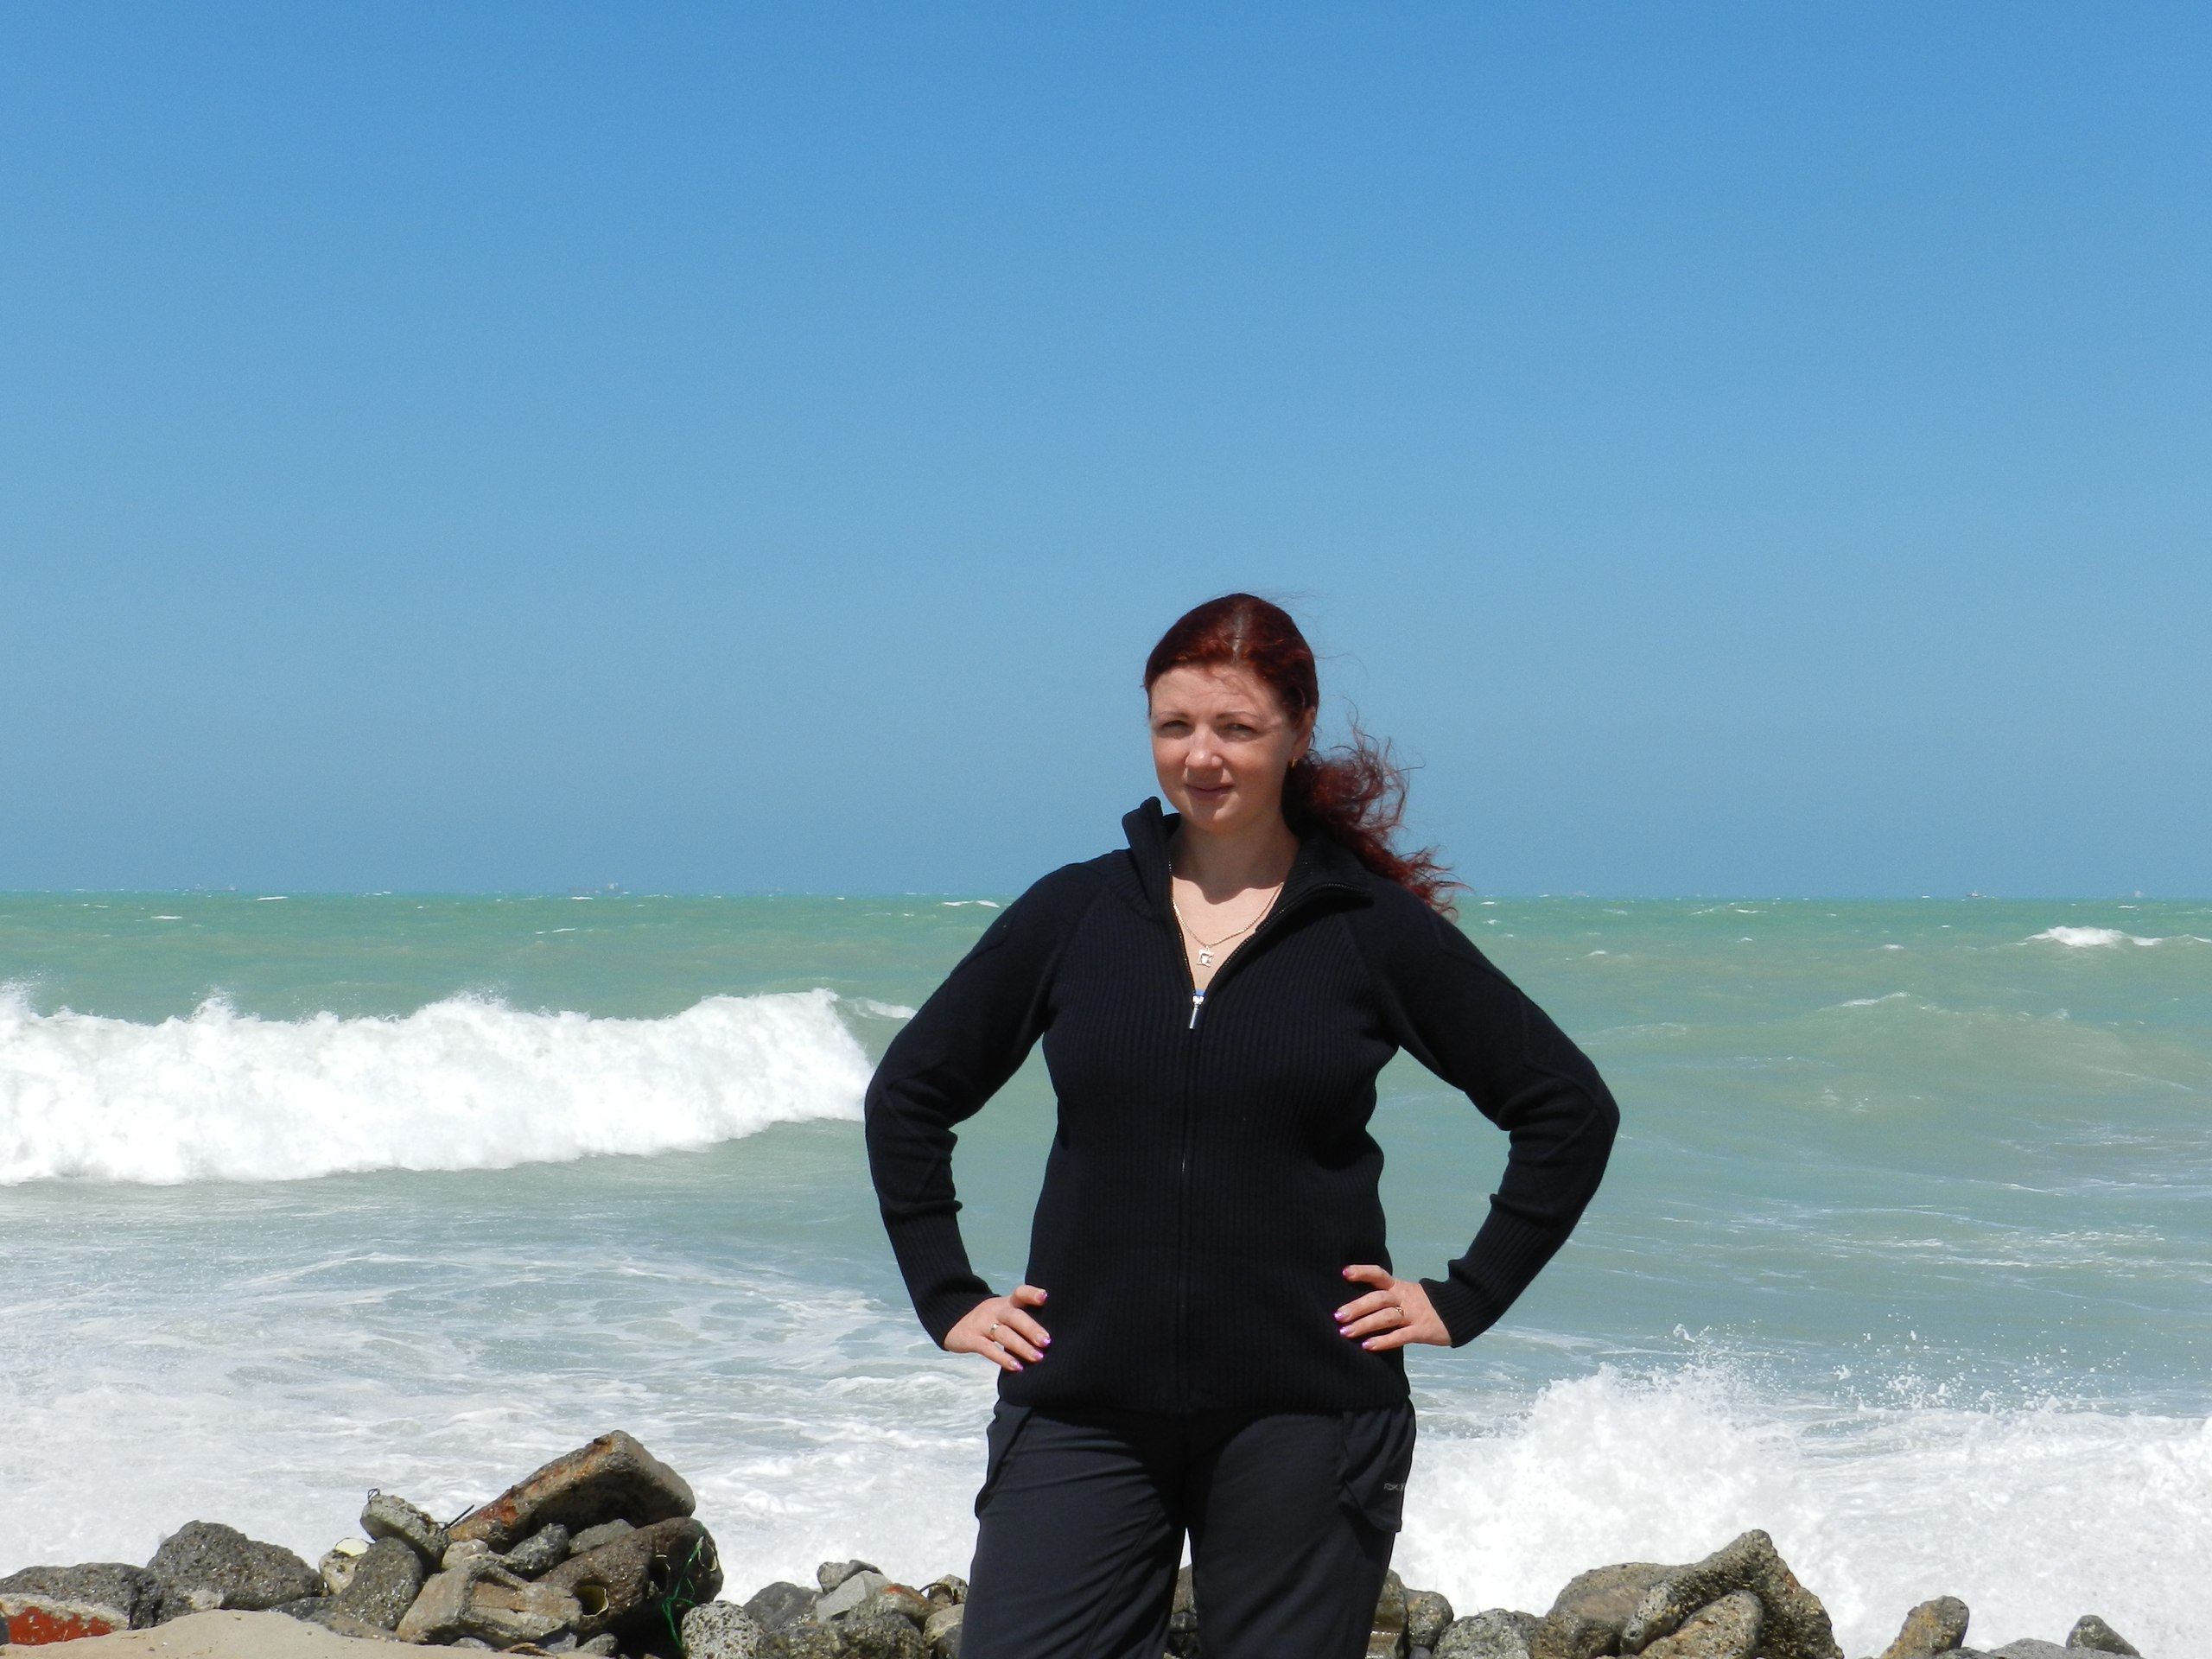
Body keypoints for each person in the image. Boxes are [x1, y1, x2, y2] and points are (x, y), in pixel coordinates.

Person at [865, 594, 1618, 1659]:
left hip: (1307, 1416)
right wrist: (946, 1293)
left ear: (1298, 732)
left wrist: (1466, 1295)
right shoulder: (1075, 913)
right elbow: (909, 1094)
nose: (1201, 756)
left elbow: (1566, 1107)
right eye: (1174, 726)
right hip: (1081, 1404)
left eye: (1236, 727)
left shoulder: (1365, 929)